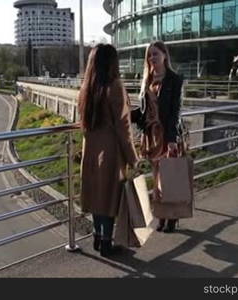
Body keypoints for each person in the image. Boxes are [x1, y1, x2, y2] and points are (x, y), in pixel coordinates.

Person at [79, 44, 139, 257]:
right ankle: (106, 242)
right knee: (110, 197)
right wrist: (133, 158)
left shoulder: (87, 87)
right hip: (111, 151)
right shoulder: (115, 86)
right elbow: (124, 127)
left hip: (91, 150)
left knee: (97, 196)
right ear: (111, 62)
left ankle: (97, 237)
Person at [131, 41, 185, 233]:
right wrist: (125, 115)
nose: (152, 58)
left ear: (164, 55)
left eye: (155, 54)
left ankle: (171, 218)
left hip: (166, 135)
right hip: (150, 136)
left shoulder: (174, 80)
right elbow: (144, 112)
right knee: (156, 179)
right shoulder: (147, 79)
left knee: (167, 179)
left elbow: (175, 112)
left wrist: (172, 139)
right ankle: (162, 216)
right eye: (149, 55)